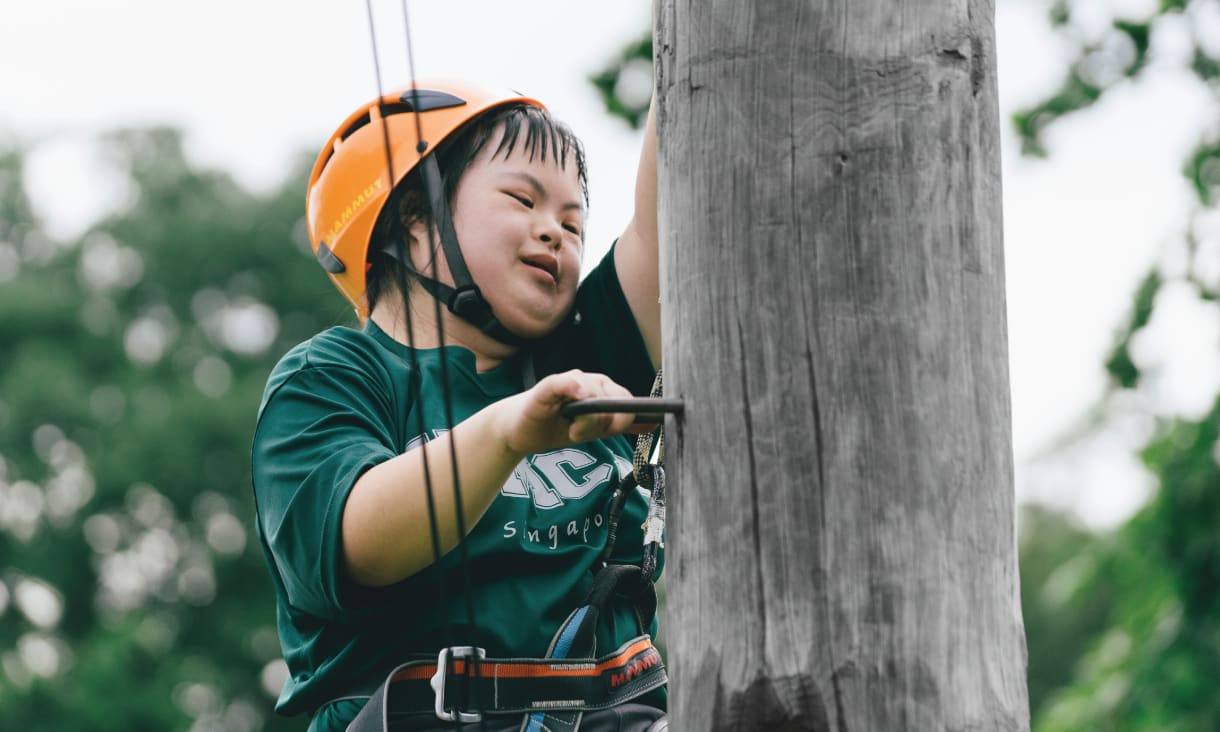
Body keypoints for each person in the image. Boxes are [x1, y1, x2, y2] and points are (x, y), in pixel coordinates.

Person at [251, 78, 665, 731]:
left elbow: (670, 216)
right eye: (521, 199)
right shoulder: (334, 376)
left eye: (572, 219)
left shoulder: (585, 358)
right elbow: (358, 542)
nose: (554, 232)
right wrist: (506, 434)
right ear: (415, 220)